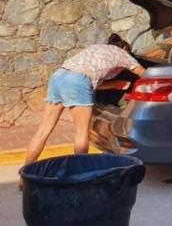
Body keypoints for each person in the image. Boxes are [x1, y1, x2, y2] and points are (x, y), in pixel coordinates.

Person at [20, 33, 145, 189]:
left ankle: (23, 180)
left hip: (58, 76)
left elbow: (87, 80)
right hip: (78, 81)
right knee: (81, 132)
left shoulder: (96, 49)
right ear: (125, 49)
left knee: (43, 130)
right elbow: (145, 74)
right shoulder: (124, 55)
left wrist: (114, 85)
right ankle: (80, 180)